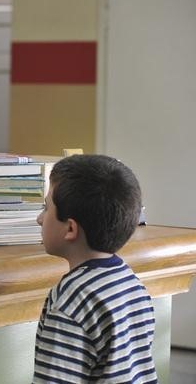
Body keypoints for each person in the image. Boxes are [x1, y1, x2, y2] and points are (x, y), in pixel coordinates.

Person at [33, 154, 157, 383]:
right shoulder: (133, 285)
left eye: (46, 208)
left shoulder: (70, 302)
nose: (39, 219)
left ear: (70, 228)